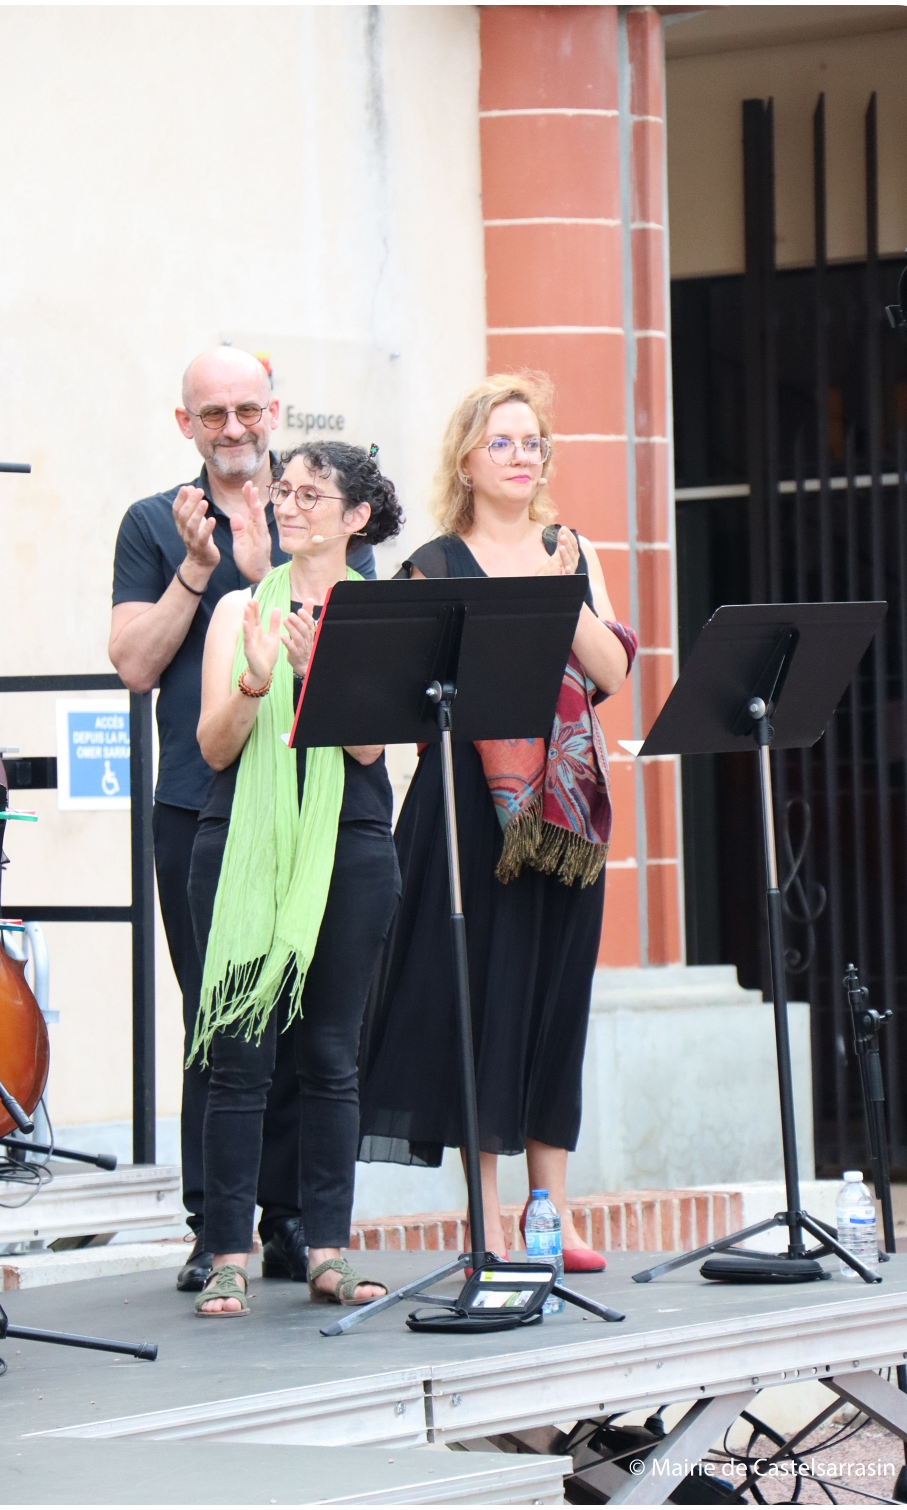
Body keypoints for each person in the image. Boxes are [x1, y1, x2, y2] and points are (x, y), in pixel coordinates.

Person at [109, 347, 376, 1292]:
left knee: (316, 1026)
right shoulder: (155, 522)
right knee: (220, 1019)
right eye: (212, 414)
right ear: (187, 425)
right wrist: (199, 574)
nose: (233, 428)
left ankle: (296, 1222)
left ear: (273, 411)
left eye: (247, 410)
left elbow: (370, 708)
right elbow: (135, 664)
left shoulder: (328, 519)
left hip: (325, 814)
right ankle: (212, 1228)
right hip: (203, 803)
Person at [358, 372, 637, 1271]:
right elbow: (397, 698)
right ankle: (487, 1220)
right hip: (462, 813)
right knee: (479, 997)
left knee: (556, 998)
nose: (524, 457)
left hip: (562, 812)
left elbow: (611, 671)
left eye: (534, 443)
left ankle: (552, 1212)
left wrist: (566, 597)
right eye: (504, 443)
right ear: (468, 462)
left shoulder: (570, 550)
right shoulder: (433, 567)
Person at [187, 440, 403, 1315]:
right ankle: (228, 1251)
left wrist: (318, 675)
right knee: (239, 1059)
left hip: (349, 842)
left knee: (330, 1057)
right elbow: (213, 746)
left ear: (355, 517)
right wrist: (258, 675)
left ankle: (327, 1250)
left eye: (313, 494)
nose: (291, 504)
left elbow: (369, 747)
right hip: (238, 839)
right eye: (286, 490)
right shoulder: (240, 605)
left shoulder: (377, 613)